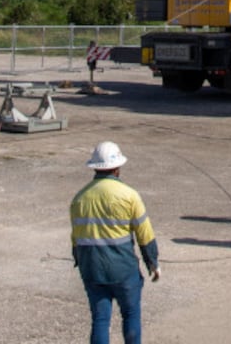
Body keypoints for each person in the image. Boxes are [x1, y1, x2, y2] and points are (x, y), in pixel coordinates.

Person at [70, 141, 159, 344]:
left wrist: (79, 261)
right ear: (118, 168)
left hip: (92, 269)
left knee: (100, 319)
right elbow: (145, 233)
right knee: (130, 314)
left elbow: (76, 238)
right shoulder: (129, 195)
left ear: (94, 167)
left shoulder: (79, 198)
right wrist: (152, 263)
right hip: (124, 270)